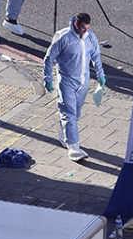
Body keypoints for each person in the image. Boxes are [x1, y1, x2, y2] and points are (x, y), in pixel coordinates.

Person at [43, 13, 105, 161]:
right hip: (66, 81)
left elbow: (96, 56)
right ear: (76, 24)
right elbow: (49, 58)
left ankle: (64, 136)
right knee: (68, 113)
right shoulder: (63, 38)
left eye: (87, 29)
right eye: (83, 28)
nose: (85, 32)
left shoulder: (90, 37)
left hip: (82, 82)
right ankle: (74, 148)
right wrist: (48, 79)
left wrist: (100, 75)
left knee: (75, 114)